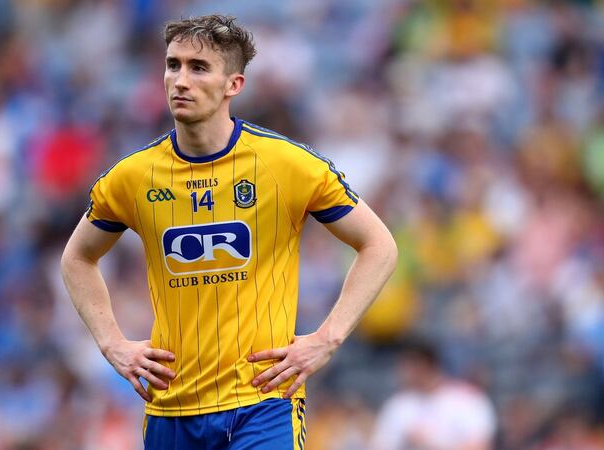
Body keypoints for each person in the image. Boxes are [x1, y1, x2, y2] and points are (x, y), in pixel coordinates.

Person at [60, 14, 398, 450]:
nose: (180, 80)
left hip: (263, 403)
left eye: (198, 68)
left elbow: (379, 245)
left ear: (233, 85)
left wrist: (326, 339)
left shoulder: (288, 166)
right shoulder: (132, 177)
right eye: (173, 65)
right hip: (171, 411)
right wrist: (112, 344)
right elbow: (77, 258)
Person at [369, 340, 496, 450]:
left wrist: (431, 444)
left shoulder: (467, 398)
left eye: (406, 366)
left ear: (423, 365)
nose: (401, 373)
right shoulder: (397, 405)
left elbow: (481, 446)